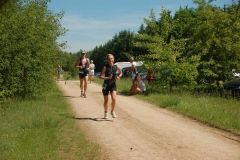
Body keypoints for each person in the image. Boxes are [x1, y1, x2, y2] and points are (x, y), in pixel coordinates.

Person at [99, 54, 122, 119]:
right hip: (106, 85)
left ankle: (112, 111)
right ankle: (106, 112)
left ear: (114, 59)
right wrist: (107, 77)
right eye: (109, 59)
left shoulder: (116, 67)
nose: (110, 60)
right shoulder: (105, 67)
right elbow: (100, 76)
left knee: (114, 99)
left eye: (111, 58)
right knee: (106, 101)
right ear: (107, 60)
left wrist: (119, 76)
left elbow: (121, 72)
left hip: (113, 85)